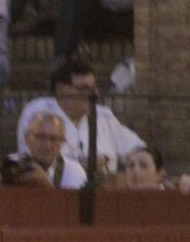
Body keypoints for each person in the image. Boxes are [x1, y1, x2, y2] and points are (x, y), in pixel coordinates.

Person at [15, 56, 143, 176]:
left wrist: (108, 160)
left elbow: (138, 149)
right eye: (83, 89)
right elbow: (33, 163)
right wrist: (81, 167)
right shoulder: (39, 112)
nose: (91, 95)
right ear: (61, 89)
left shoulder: (104, 116)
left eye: (93, 89)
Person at [0, 109, 86, 187]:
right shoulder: (10, 165)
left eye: (54, 139)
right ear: (26, 138)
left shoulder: (72, 171)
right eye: (40, 137)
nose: (47, 145)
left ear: (63, 141)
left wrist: (44, 183)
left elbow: (71, 206)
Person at [120, 145, 190, 192]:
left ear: (160, 175)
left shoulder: (172, 199)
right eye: (131, 165)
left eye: (143, 165)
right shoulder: (115, 200)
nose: (135, 170)